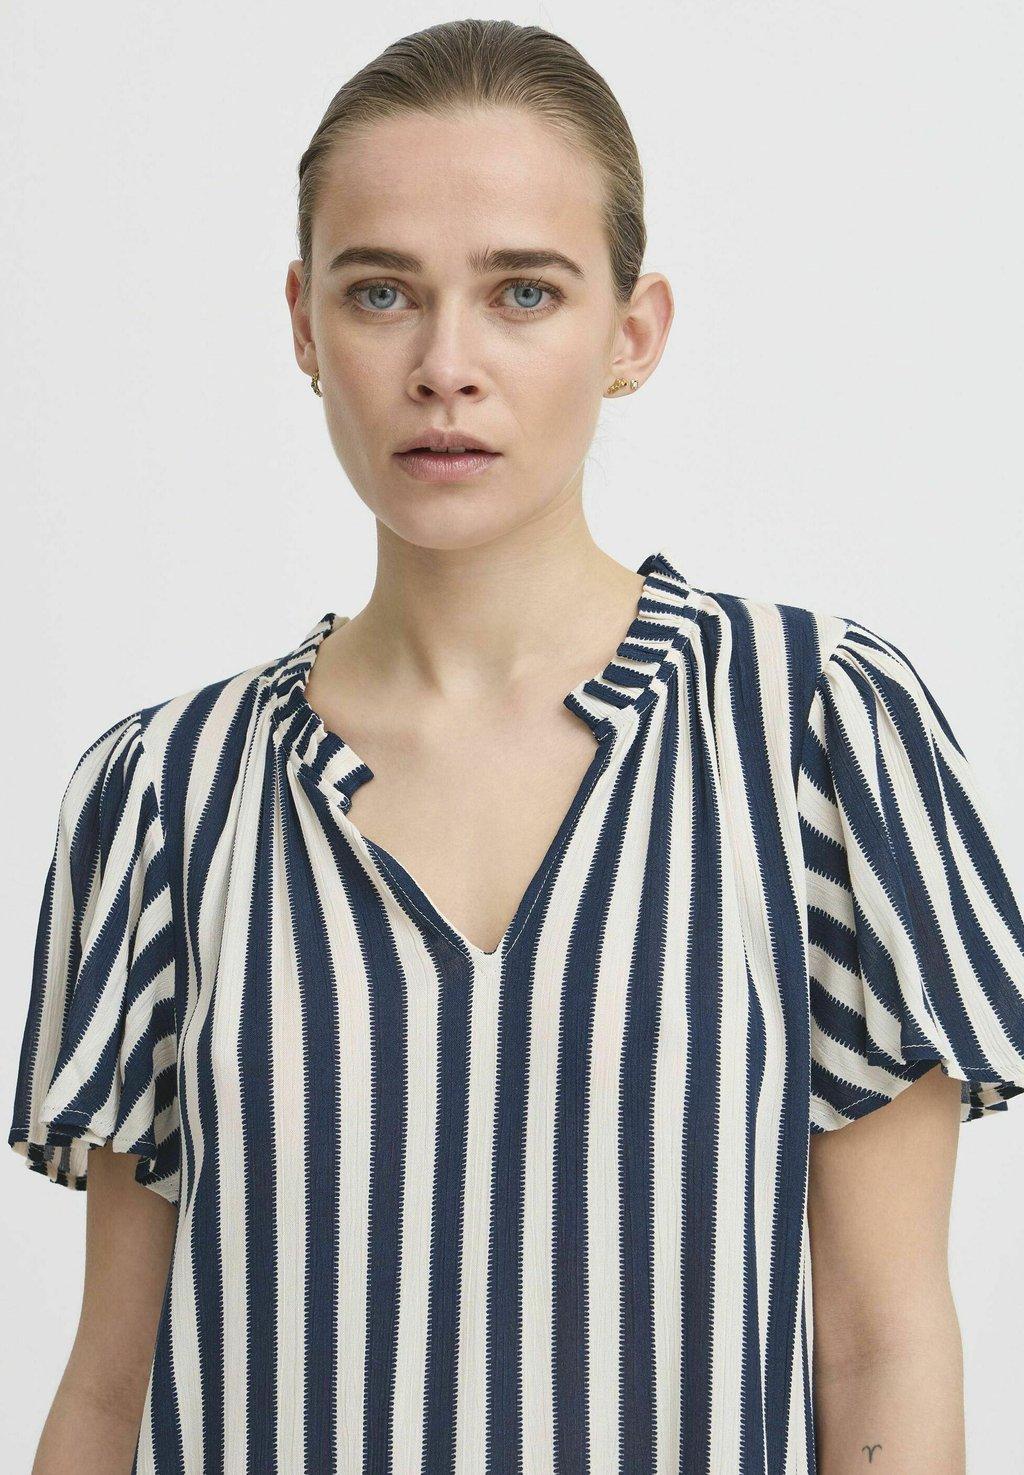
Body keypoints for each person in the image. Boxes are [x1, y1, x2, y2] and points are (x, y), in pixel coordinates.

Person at [8, 19, 1024, 1475]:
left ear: (633, 332)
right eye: (381, 293)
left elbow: (885, 1341)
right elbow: (112, 1389)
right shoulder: (164, 795)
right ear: (303, 324)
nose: (446, 366)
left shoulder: (816, 729)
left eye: (523, 293)